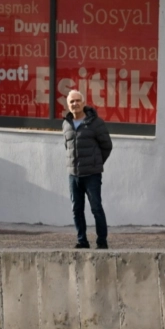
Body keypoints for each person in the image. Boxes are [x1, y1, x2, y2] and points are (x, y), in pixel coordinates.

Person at [62, 89, 112, 249]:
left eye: (77, 101)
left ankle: (102, 242)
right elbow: (67, 147)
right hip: (73, 175)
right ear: (68, 105)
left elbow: (107, 146)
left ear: (83, 103)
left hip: (92, 174)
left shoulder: (96, 123)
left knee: (96, 208)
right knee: (76, 209)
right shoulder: (66, 124)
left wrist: (96, 163)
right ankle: (82, 241)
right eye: (71, 102)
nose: (75, 104)